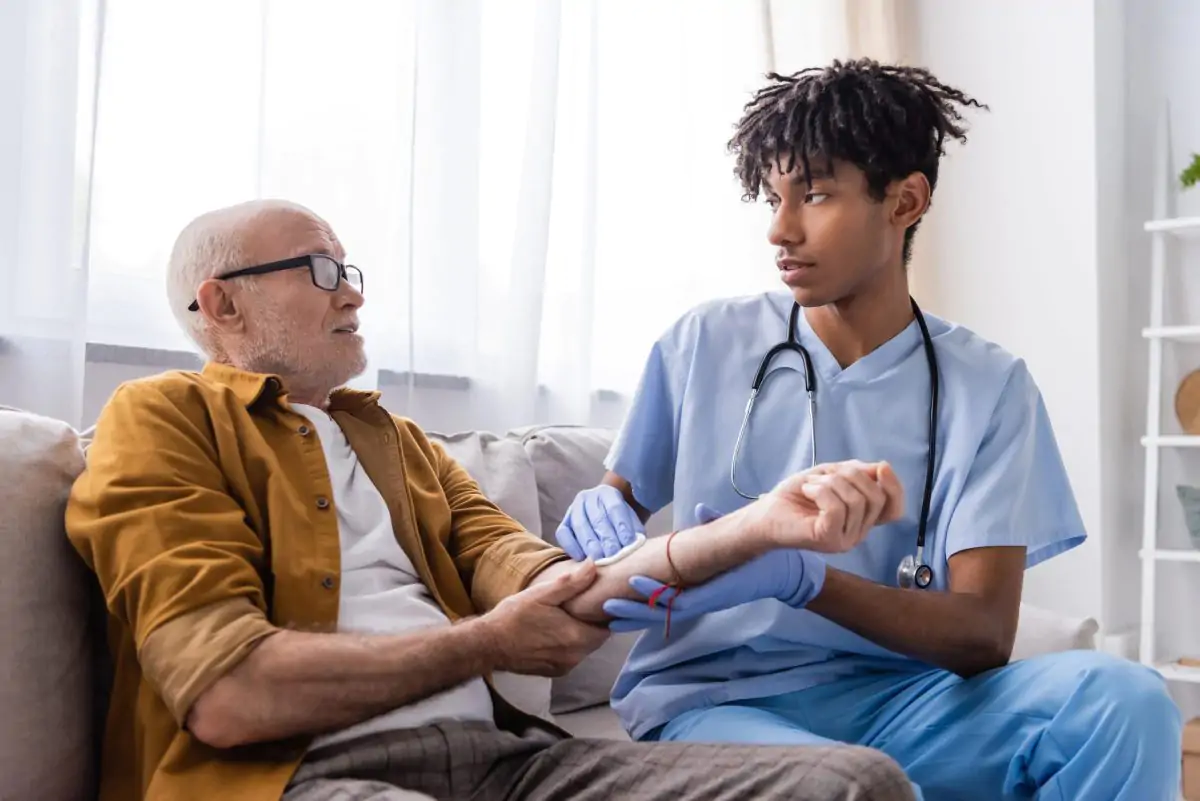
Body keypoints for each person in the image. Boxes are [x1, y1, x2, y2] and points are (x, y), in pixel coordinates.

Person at [65, 198, 919, 801]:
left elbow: (568, 589)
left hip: (508, 767)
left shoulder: (399, 444)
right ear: (221, 303)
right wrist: (487, 642)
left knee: (855, 783)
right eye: (321, 269)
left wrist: (761, 523)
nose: (353, 292)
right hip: (296, 774)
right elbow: (227, 693)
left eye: (350, 269)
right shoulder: (163, 418)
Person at [556, 59, 1183, 801]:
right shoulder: (704, 343)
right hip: (717, 702)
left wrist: (806, 580)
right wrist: (604, 511)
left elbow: (983, 636)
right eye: (772, 198)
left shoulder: (990, 387)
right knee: (858, 785)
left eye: (815, 195)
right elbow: (617, 507)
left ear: (905, 200)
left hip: (907, 702)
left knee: (1127, 699)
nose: (780, 230)